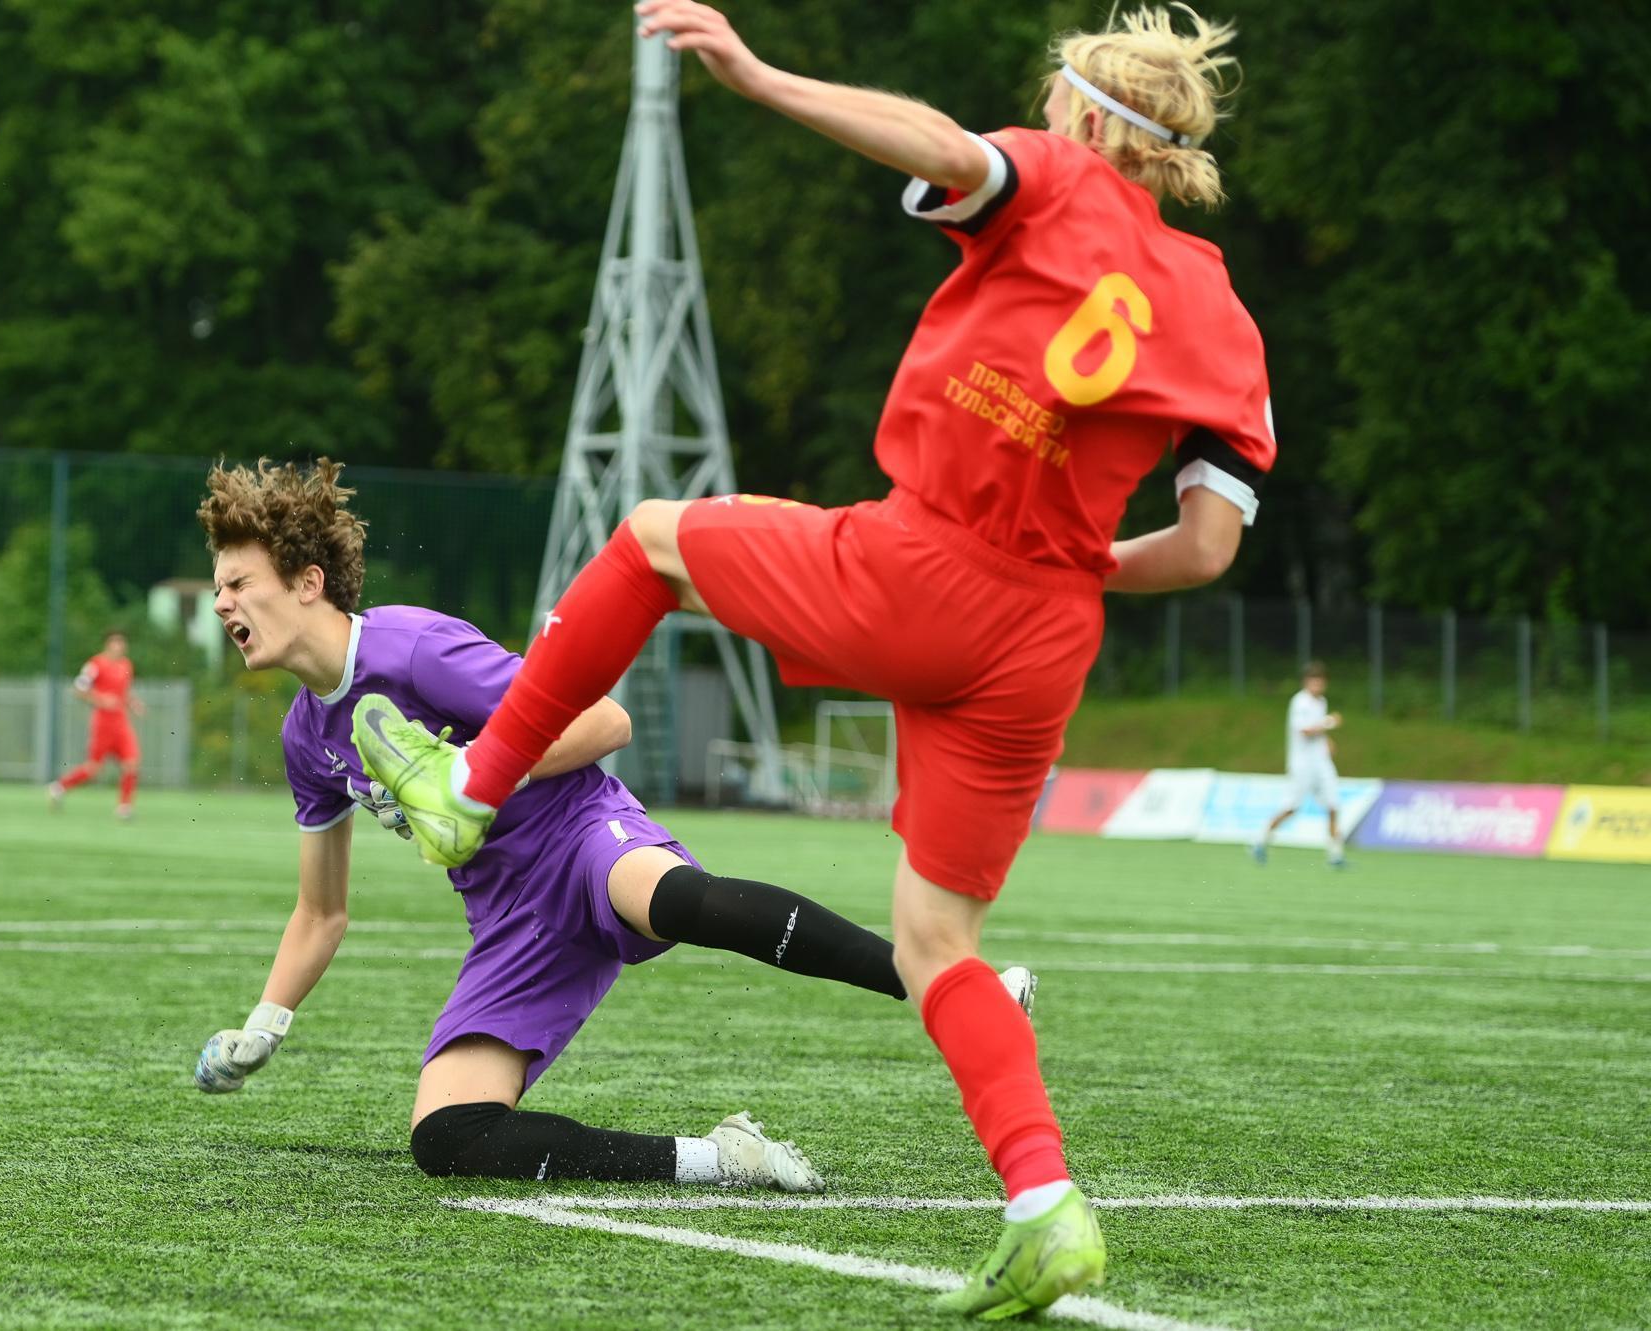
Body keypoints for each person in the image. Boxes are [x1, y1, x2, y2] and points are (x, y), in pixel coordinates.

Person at [355, 2, 1269, 1316]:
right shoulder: (1224, 314)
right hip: (1043, 637)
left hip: (926, 563)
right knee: (939, 943)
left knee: (651, 538)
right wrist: (1068, 564)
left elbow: (942, 147)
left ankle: (470, 788)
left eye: (1052, 100)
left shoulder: (1053, 173)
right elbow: (1204, 547)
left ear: (1081, 112)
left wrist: (756, 73)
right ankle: (1044, 1208)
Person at [188, 458, 1036, 1190]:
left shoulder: (411, 648)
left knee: (676, 899)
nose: (222, 602)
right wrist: (265, 1024)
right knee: (449, 1137)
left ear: (307, 581)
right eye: (219, 586)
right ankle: (723, 1158)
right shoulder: (305, 738)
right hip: (508, 917)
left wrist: (473, 775)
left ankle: (961, 990)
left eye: (237, 582)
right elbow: (321, 911)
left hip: (579, 832)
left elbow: (605, 719)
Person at [1251, 661, 1346, 868]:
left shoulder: (1321, 702)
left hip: (1321, 763)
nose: (1317, 685)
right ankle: (1260, 840)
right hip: (1302, 764)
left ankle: (1336, 855)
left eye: (1320, 681)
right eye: (1313, 681)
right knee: (1291, 807)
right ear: (1306, 682)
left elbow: (1317, 730)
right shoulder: (1300, 702)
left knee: (1333, 805)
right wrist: (1330, 722)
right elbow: (1304, 730)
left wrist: (1327, 740)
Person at [49, 630, 145, 820]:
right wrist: (100, 699)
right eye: (115, 643)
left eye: (121, 643)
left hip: (121, 722)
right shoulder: (96, 664)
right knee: (93, 769)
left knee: (132, 763)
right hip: (103, 723)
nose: (119, 647)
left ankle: (124, 807)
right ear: (107, 645)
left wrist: (133, 703)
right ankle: (59, 787)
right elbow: (79, 688)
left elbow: (123, 693)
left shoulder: (126, 665)